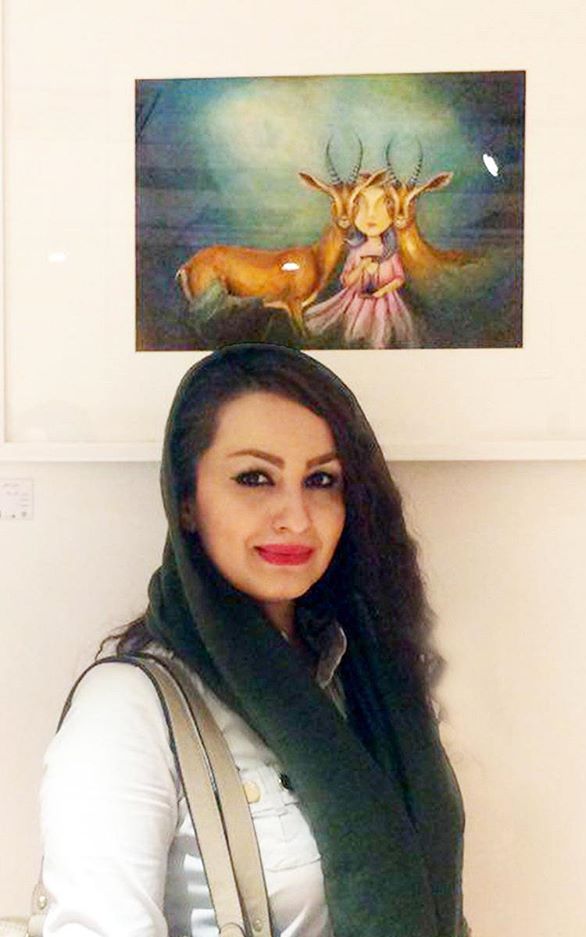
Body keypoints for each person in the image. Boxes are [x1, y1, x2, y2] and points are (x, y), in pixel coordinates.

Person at [39, 342, 466, 937]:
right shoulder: (127, 709)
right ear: (187, 503)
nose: (296, 516)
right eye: (255, 478)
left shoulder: (365, 679)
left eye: (321, 479)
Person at [304, 179, 419, 349]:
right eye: (362, 206)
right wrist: (361, 266)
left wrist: (382, 291)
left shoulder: (390, 252)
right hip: (357, 301)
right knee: (353, 334)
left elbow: (399, 278)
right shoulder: (356, 251)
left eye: (382, 206)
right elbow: (347, 281)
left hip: (385, 302)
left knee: (382, 332)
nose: (371, 215)